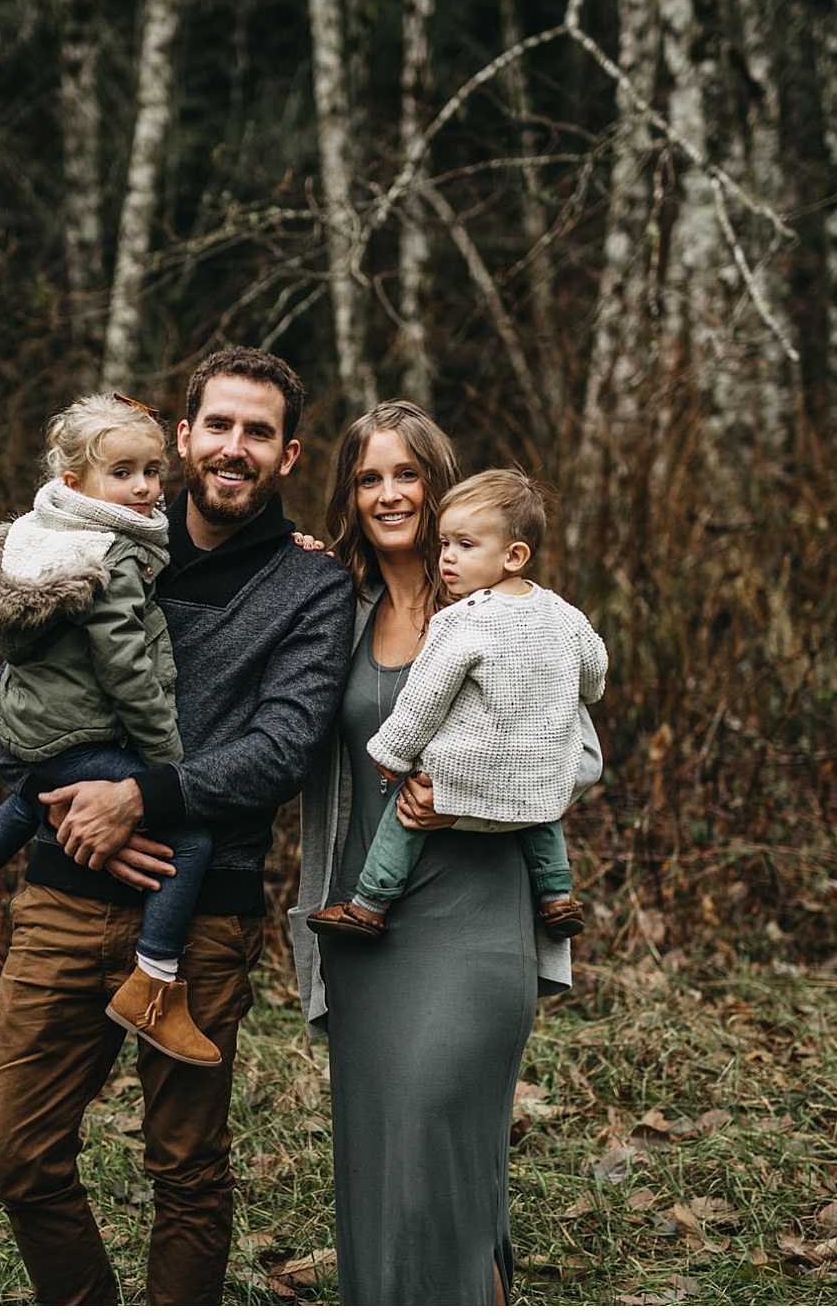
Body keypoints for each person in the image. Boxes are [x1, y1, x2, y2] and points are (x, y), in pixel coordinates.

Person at [0, 347, 355, 1304]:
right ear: (184, 438)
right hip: (65, 891)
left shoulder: (312, 587)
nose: (235, 448)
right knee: (18, 1156)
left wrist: (140, 796)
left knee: (186, 1170)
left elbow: (283, 746)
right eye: (217, 426)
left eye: (258, 432)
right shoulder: (94, 541)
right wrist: (59, 784)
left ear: (289, 454)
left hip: (203, 918)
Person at [288, 402, 599, 1304]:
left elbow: (581, 753)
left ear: (439, 484)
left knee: (437, 1128)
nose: (388, 494)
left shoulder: (508, 609)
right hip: (364, 922)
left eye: (406, 474)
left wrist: (466, 793)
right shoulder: (332, 609)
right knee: (381, 1158)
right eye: (367, 477)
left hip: (478, 912)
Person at [0, 392, 221, 1066]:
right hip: (78, 731)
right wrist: (163, 764)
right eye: (123, 472)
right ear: (75, 481)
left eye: (153, 471)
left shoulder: (41, 532)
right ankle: (154, 984)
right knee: (189, 832)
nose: (143, 488)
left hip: (26, 722)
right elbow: (125, 664)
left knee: (27, 801)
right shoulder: (116, 552)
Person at [305, 468, 606, 943]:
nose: (447, 558)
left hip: (465, 764)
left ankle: (369, 903)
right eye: (445, 544)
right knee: (542, 811)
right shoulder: (563, 613)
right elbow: (595, 671)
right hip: (540, 761)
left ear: (514, 555)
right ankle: (557, 898)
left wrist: (391, 753)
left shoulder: (460, 620)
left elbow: (424, 699)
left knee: (406, 815)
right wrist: (570, 686)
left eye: (465, 546)